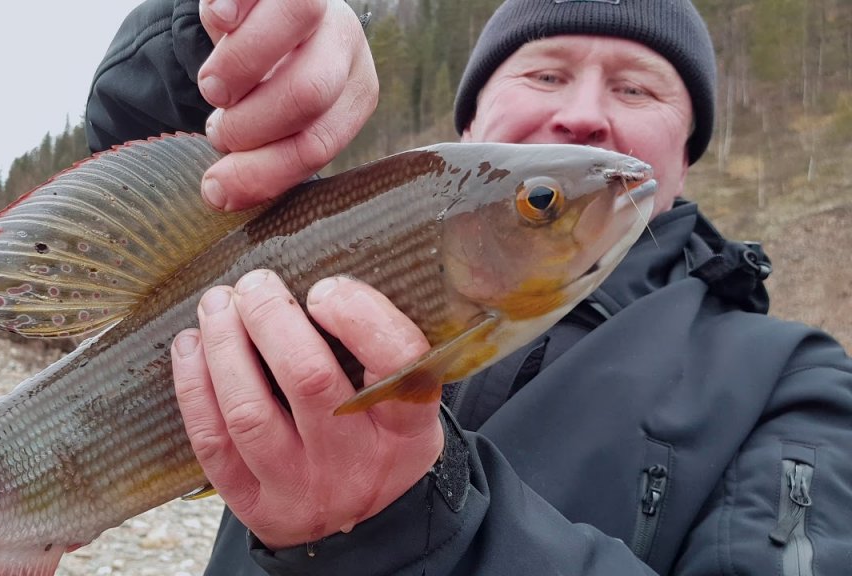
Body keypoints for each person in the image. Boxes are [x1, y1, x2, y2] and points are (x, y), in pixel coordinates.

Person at [85, 0, 852, 573]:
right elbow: (181, 170)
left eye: (638, 91)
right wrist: (237, 34)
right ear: (472, 117)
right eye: (546, 74)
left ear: (684, 156)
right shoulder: (334, 229)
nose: (583, 115)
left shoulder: (793, 381)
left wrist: (429, 529)